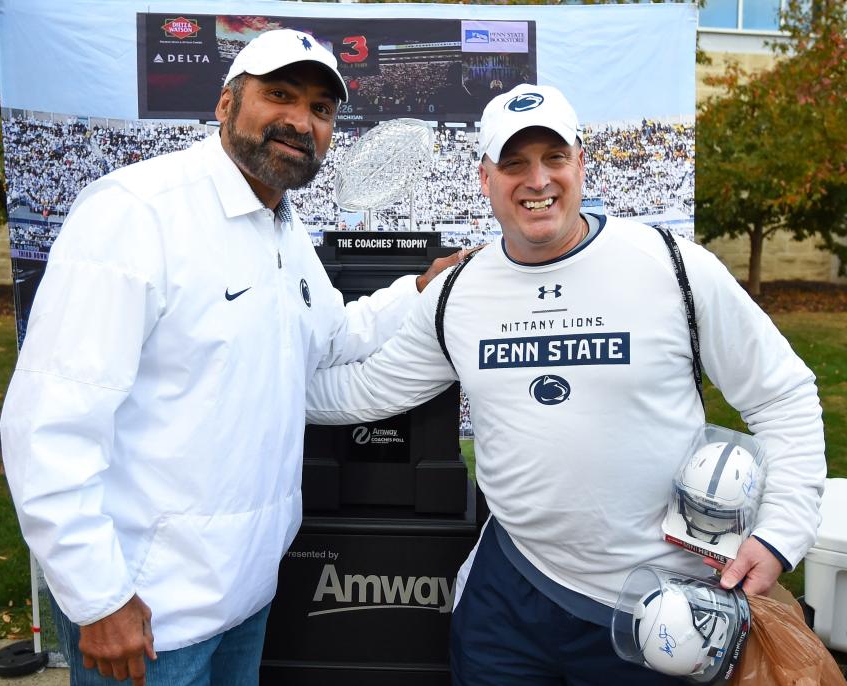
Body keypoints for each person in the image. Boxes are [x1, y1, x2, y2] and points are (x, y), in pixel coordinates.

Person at [305, 84, 826, 685]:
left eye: (554, 158)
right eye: (514, 163)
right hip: (512, 595)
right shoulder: (459, 292)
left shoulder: (672, 265)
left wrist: (781, 531)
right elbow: (367, 390)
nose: (537, 180)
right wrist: (261, 391)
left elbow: (781, 394)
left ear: (581, 162)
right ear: (485, 178)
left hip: (661, 603)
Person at [0, 29, 459, 686]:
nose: (301, 121)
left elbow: (333, 337)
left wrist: (419, 288)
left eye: (321, 110)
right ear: (225, 105)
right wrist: (99, 598)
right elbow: (48, 425)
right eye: (280, 95)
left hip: (245, 599)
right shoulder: (135, 213)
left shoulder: (283, 224)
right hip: (147, 617)